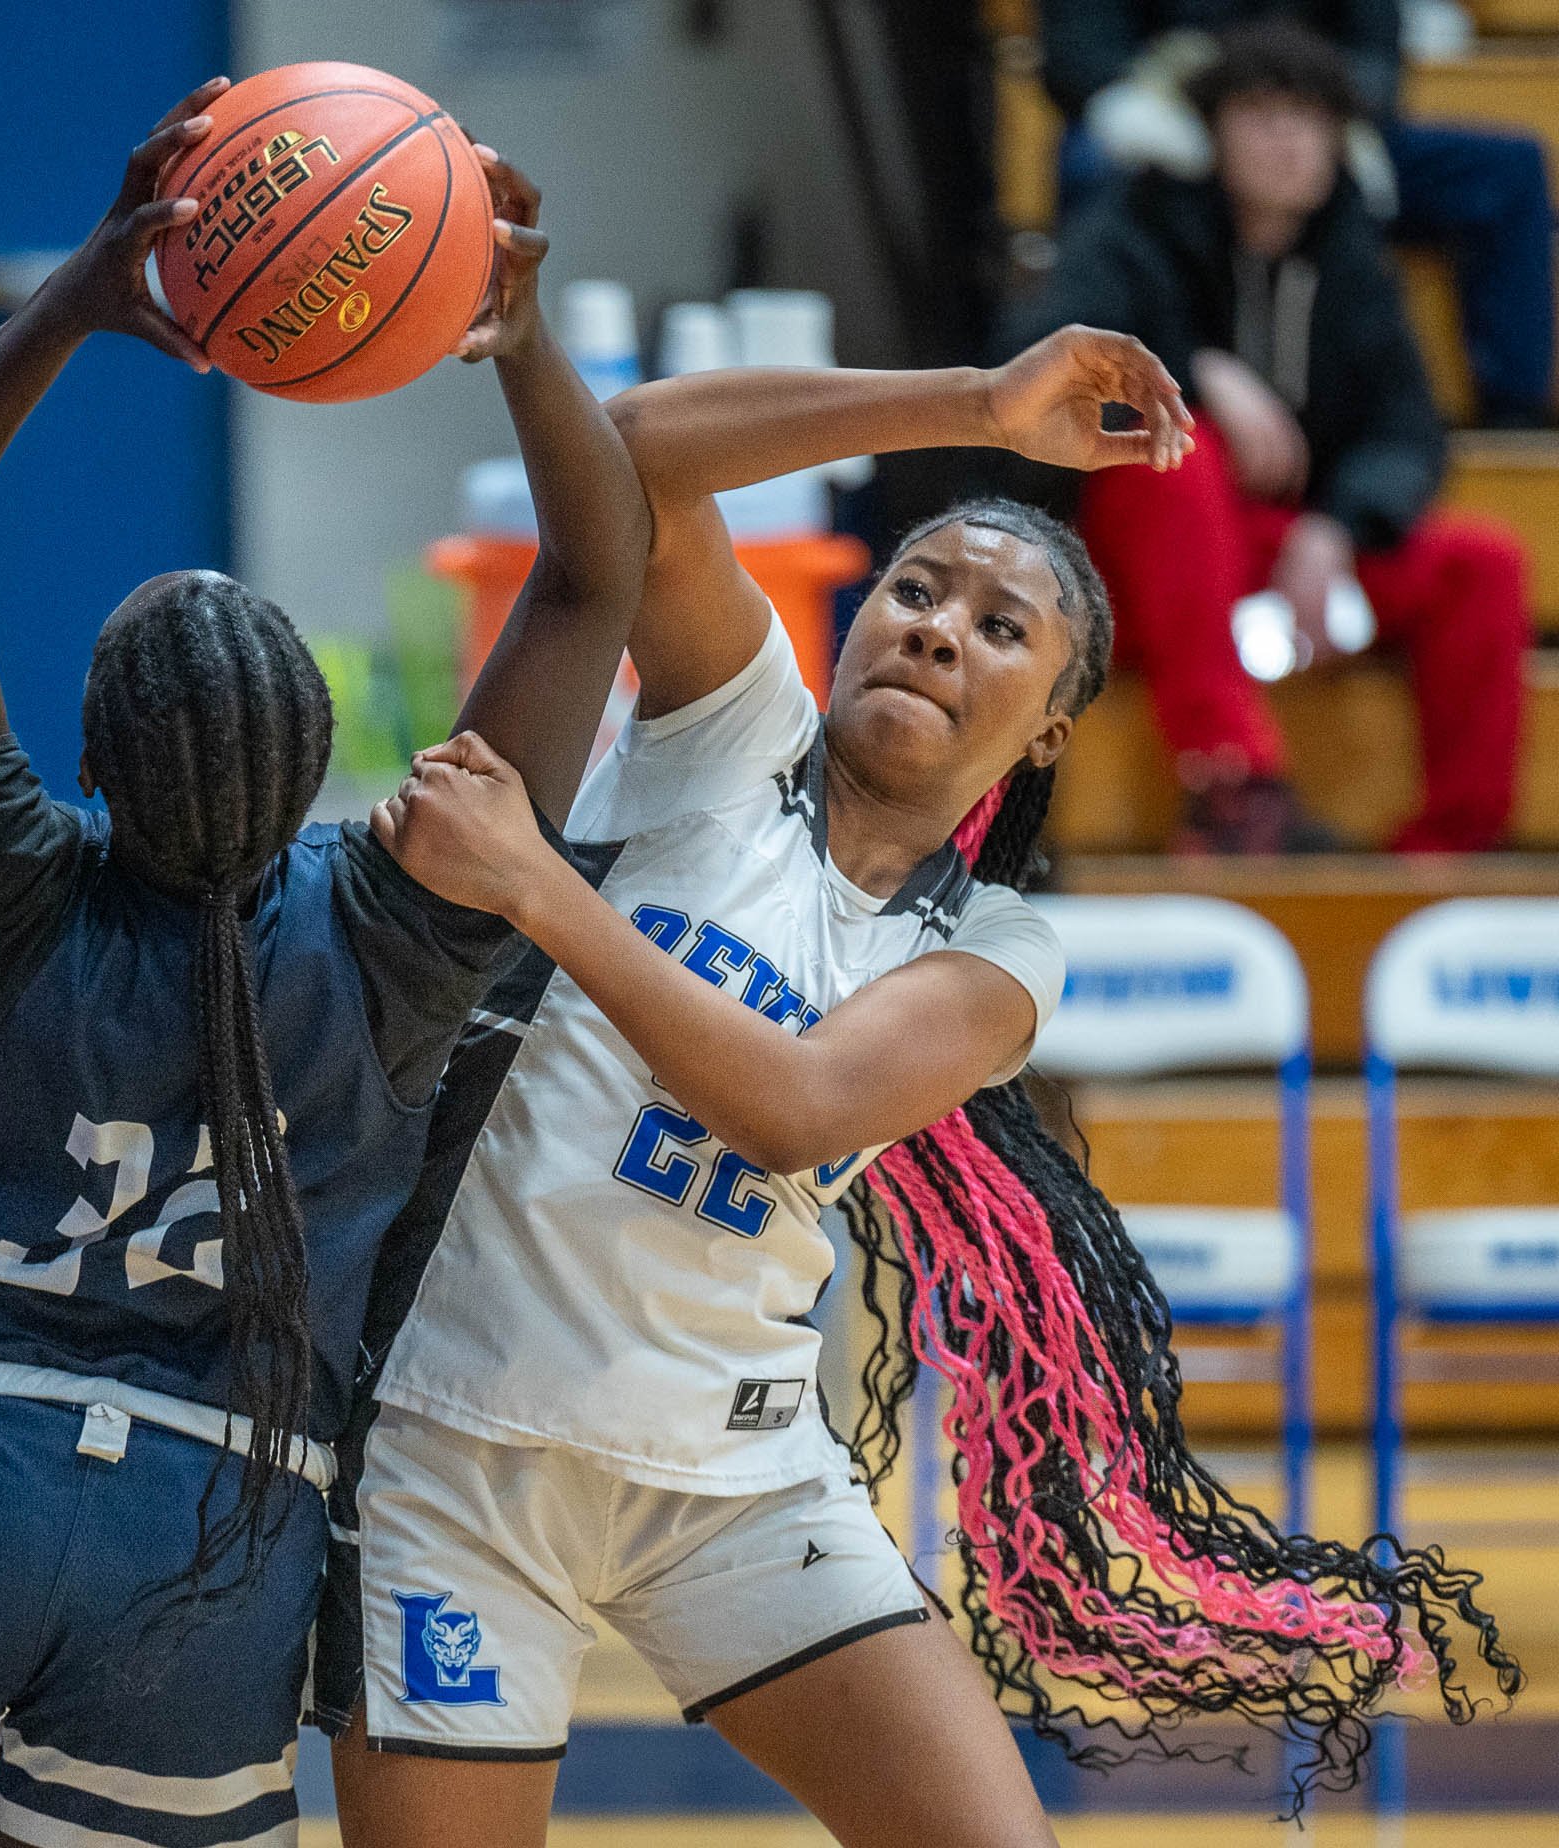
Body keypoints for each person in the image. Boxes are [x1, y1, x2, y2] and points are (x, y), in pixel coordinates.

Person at [0, 82, 650, 1848]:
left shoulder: (3, 888)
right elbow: (586, 586)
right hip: (218, 1545)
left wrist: (92, 294)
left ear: (80, 767)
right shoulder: (396, 929)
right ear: (324, 765)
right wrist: (523, 336)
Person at [316, 333, 1519, 1848]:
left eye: (1001, 627)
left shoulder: (1001, 950)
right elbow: (630, 457)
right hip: (461, 1439)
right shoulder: (730, 728)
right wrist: (975, 410)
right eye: (917, 591)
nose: (942, 631)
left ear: (1053, 728)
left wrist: (542, 893)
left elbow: (803, 1108)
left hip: (733, 1476)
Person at [1014, 21, 1530, 852]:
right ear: (1213, 134)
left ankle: (1454, 848)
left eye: (1309, 118)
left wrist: (1337, 528)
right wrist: (1194, 370)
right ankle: (1231, 785)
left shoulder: (1355, 260)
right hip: (1136, 567)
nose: (1288, 139)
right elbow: (1047, 365)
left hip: (1282, 559)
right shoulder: (1133, 226)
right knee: (1176, 458)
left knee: (1483, 566)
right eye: (1260, 114)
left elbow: (1407, 432)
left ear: (1340, 139)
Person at [1039, 0, 1557, 429]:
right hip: (1166, 114)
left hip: (1320, 107)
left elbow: (1379, 63)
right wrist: (1197, 104)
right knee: (1091, 161)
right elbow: (1077, 58)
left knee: (1507, 169)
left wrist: (1302, 102)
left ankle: (1513, 415)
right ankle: (1107, 397)